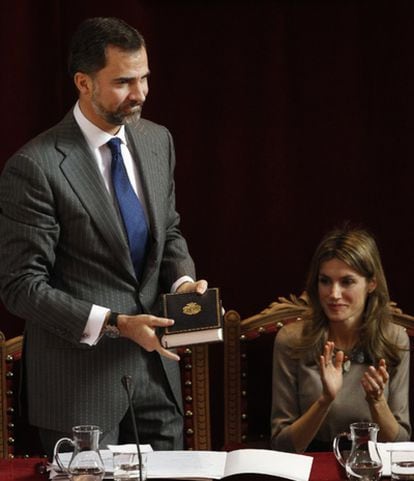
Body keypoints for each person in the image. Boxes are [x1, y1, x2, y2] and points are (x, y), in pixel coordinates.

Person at [0, 17, 207, 457]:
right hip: (79, 393)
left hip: (158, 381)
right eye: (123, 81)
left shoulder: (157, 140)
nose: (141, 93)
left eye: (145, 77)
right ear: (83, 82)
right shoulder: (34, 166)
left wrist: (183, 284)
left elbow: (168, 232)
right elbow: (21, 288)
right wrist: (116, 324)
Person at [271, 226, 411, 453]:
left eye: (347, 282)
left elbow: (401, 446)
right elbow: (282, 445)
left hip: (370, 466)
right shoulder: (291, 340)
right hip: (310, 466)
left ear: (371, 283)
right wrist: (325, 399)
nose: (334, 294)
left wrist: (377, 402)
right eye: (325, 281)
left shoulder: (394, 340)